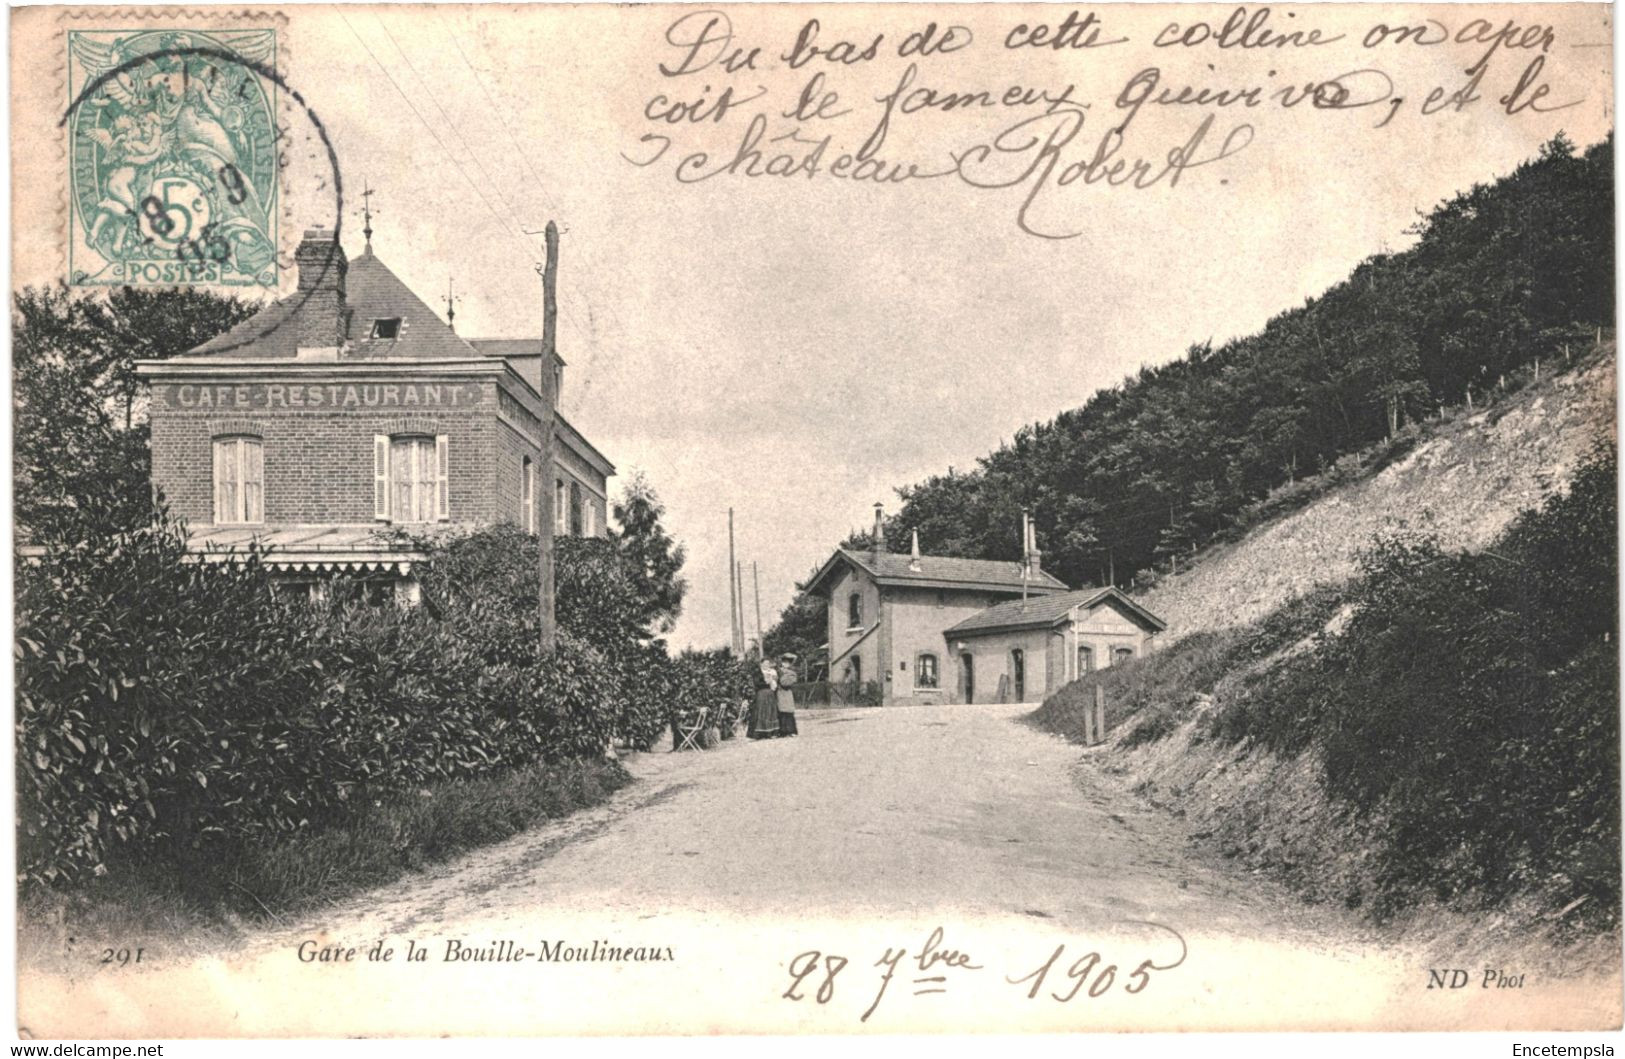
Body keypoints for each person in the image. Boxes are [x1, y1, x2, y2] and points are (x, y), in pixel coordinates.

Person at [747, 656, 780, 739]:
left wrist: (773, 681)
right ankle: (760, 734)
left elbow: (776, 683)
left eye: (768, 664)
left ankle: (771, 733)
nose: (766, 665)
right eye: (765, 663)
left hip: (770, 694)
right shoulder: (758, 673)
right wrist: (767, 682)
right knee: (761, 712)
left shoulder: (772, 672)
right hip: (761, 694)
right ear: (761, 664)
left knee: (771, 712)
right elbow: (757, 684)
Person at [775, 654, 799, 737]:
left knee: (788, 712)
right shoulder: (777, 671)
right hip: (779, 692)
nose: (785, 664)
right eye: (784, 662)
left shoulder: (792, 673)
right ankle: (782, 731)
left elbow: (785, 683)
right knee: (780, 712)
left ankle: (790, 731)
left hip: (787, 693)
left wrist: (781, 676)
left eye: (787, 663)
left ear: (790, 664)